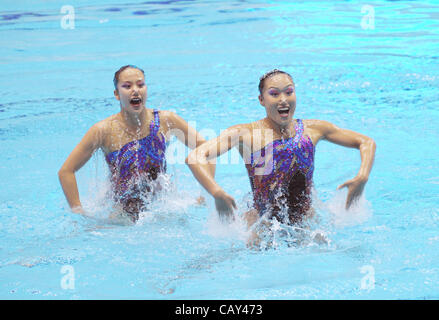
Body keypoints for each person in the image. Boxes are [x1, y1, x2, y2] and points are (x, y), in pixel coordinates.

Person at [186, 69, 376, 243]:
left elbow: (366, 142)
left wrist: (362, 177)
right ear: (261, 100)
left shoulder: (314, 129)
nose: (283, 99)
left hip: (307, 223)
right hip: (264, 228)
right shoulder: (246, 134)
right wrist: (217, 193)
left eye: (289, 92)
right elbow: (195, 157)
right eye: (274, 94)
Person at [59, 65, 215, 222]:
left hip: (162, 207)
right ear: (117, 94)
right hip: (120, 215)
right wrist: (78, 211)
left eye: (140, 85)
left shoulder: (165, 121)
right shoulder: (103, 130)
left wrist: (206, 193)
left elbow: (208, 149)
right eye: (127, 86)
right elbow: (66, 171)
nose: (135, 90)